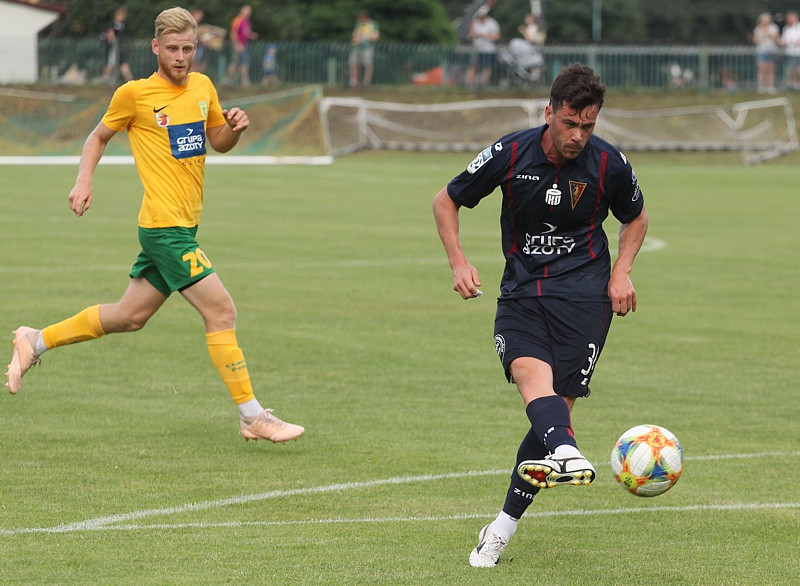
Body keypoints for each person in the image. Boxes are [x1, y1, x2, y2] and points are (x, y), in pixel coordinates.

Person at [5, 6, 305, 445]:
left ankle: (35, 340)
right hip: (164, 229)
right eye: (173, 49)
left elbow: (217, 140)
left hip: (183, 226)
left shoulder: (203, 87)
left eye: (188, 48)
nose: (181, 57)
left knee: (129, 317)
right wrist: (84, 180)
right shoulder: (135, 95)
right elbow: (97, 136)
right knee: (221, 311)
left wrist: (235, 129)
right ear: (155, 48)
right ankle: (252, 414)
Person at [432, 63, 648, 567]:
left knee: (555, 412)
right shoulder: (510, 153)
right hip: (523, 294)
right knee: (533, 381)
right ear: (548, 112)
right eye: (570, 123)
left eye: (588, 126)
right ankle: (567, 452)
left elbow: (635, 216)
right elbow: (447, 200)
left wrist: (623, 272)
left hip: (587, 298)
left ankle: (503, 523)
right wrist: (458, 261)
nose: (578, 136)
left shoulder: (609, 164)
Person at [466, 6, 500, 87]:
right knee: (473, 65)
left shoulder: (492, 23)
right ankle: (469, 83)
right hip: (477, 49)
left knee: (486, 67)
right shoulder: (476, 23)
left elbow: (497, 36)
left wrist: (483, 35)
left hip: (488, 49)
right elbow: (471, 34)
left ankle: (484, 84)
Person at [224, 5, 258, 87]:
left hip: (244, 45)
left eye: (249, 11)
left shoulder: (247, 21)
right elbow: (233, 33)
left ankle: (244, 81)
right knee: (234, 63)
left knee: (244, 63)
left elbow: (245, 33)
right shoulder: (238, 20)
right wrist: (237, 44)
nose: (249, 12)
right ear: (242, 11)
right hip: (237, 45)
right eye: (247, 10)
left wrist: (251, 35)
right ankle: (227, 80)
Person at [102, 6, 134, 84]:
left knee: (123, 62)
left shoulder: (122, 25)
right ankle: (105, 78)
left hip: (120, 47)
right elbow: (110, 35)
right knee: (112, 63)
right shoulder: (112, 24)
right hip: (114, 48)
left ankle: (130, 79)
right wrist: (113, 42)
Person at [348, 12, 380, 88]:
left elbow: (376, 36)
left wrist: (367, 37)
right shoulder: (358, 24)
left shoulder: (373, 24)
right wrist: (356, 40)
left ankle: (367, 81)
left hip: (367, 47)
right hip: (357, 47)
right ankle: (353, 81)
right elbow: (355, 34)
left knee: (368, 64)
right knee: (353, 63)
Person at [753, 12, 780, 94]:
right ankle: (761, 86)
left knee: (770, 69)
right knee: (761, 69)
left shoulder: (774, 27)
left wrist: (767, 32)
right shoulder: (757, 29)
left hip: (771, 50)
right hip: (761, 50)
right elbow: (755, 40)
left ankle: (770, 86)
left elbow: (776, 37)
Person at [781, 11, 800, 90]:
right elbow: (783, 40)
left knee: (798, 69)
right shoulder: (786, 28)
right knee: (791, 69)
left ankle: (798, 84)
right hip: (790, 52)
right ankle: (793, 84)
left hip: (798, 52)